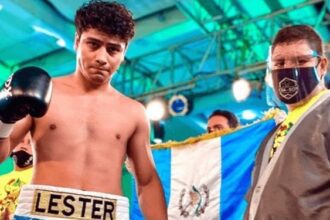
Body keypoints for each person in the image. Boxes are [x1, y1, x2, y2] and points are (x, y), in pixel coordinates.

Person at [0, 1, 167, 219]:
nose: (101, 58)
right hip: (40, 213)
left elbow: (147, 181)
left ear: (124, 53)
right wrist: (4, 119)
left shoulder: (133, 112)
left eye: (113, 49)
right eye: (93, 44)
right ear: (77, 41)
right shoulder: (45, 92)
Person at [244, 25, 330, 219]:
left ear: (322, 65)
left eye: (300, 61)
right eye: (280, 63)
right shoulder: (272, 135)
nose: (288, 69)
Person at [0, 133, 33, 220]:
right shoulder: (1, 179)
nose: (24, 147)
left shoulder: (40, 179)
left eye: (30, 144)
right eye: (20, 141)